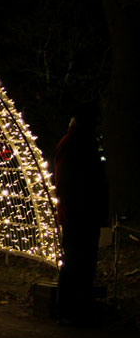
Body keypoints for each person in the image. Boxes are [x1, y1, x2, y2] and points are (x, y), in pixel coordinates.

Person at [54, 105, 107, 325]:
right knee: (78, 261)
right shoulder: (77, 143)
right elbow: (71, 181)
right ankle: (72, 310)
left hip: (81, 212)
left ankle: (75, 308)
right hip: (80, 213)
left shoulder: (75, 142)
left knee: (79, 261)